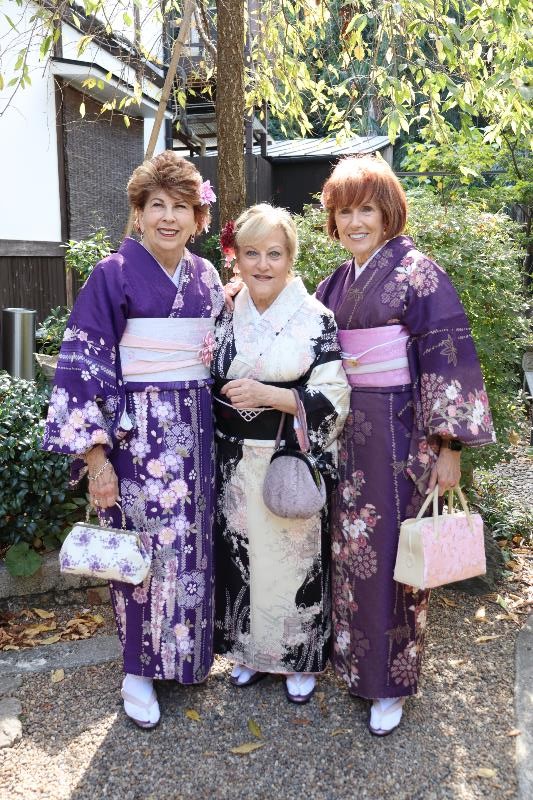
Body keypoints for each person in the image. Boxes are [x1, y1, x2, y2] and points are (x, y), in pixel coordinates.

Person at [43, 151, 224, 728]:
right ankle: (138, 670)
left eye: (181, 207)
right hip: (138, 437)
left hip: (198, 434)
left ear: (197, 217)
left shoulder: (207, 276)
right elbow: (83, 368)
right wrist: (97, 459)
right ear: (139, 214)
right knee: (142, 550)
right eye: (157, 206)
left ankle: (187, 658)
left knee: (191, 548)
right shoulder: (112, 274)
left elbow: (223, 354)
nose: (169, 217)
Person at [316, 155, 495, 735]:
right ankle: (354, 667)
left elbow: (447, 358)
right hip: (346, 433)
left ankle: (390, 683)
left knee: (394, 554)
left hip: (399, 434)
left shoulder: (419, 274)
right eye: (345, 212)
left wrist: (450, 448)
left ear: (388, 212)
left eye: (366, 210)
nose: (355, 222)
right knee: (350, 551)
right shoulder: (335, 283)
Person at [212, 204, 350, 703]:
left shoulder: (315, 318)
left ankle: (298, 658)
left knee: (293, 560)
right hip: (233, 458)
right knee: (241, 558)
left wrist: (271, 396)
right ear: (237, 258)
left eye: (274, 253)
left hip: (287, 454)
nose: (263, 265)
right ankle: (249, 654)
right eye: (252, 253)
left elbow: (335, 394)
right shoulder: (226, 310)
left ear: (291, 258)